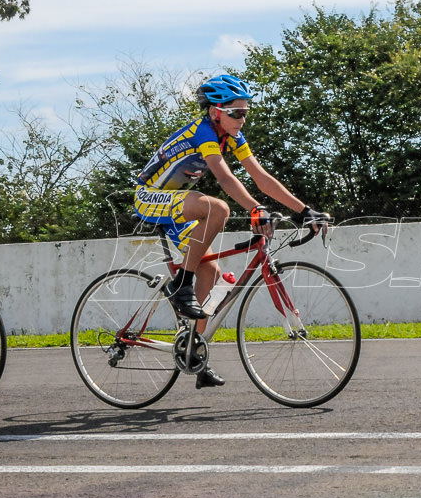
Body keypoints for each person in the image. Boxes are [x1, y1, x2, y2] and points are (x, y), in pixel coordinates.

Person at [134, 74, 329, 388]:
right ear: (215, 112)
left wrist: (304, 210)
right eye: (235, 113)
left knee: (211, 275)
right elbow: (225, 180)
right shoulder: (203, 132)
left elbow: (260, 176)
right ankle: (182, 284)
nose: (242, 119)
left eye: (245, 112)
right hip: (148, 196)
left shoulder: (232, 136)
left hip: (177, 205)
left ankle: (191, 354)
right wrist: (254, 208)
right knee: (218, 208)